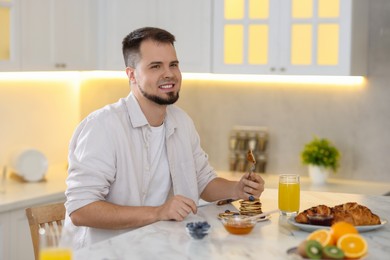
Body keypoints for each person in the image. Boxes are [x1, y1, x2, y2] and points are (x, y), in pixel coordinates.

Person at [64, 27, 265, 249]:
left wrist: (237, 189)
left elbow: (203, 181)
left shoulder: (181, 122)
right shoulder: (103, 127)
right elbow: (81, 210)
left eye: (173, 64)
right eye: (155, 66)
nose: (169, 73)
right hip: (106, 252)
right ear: (131, 75)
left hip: (157, 247)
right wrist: (159, 212)